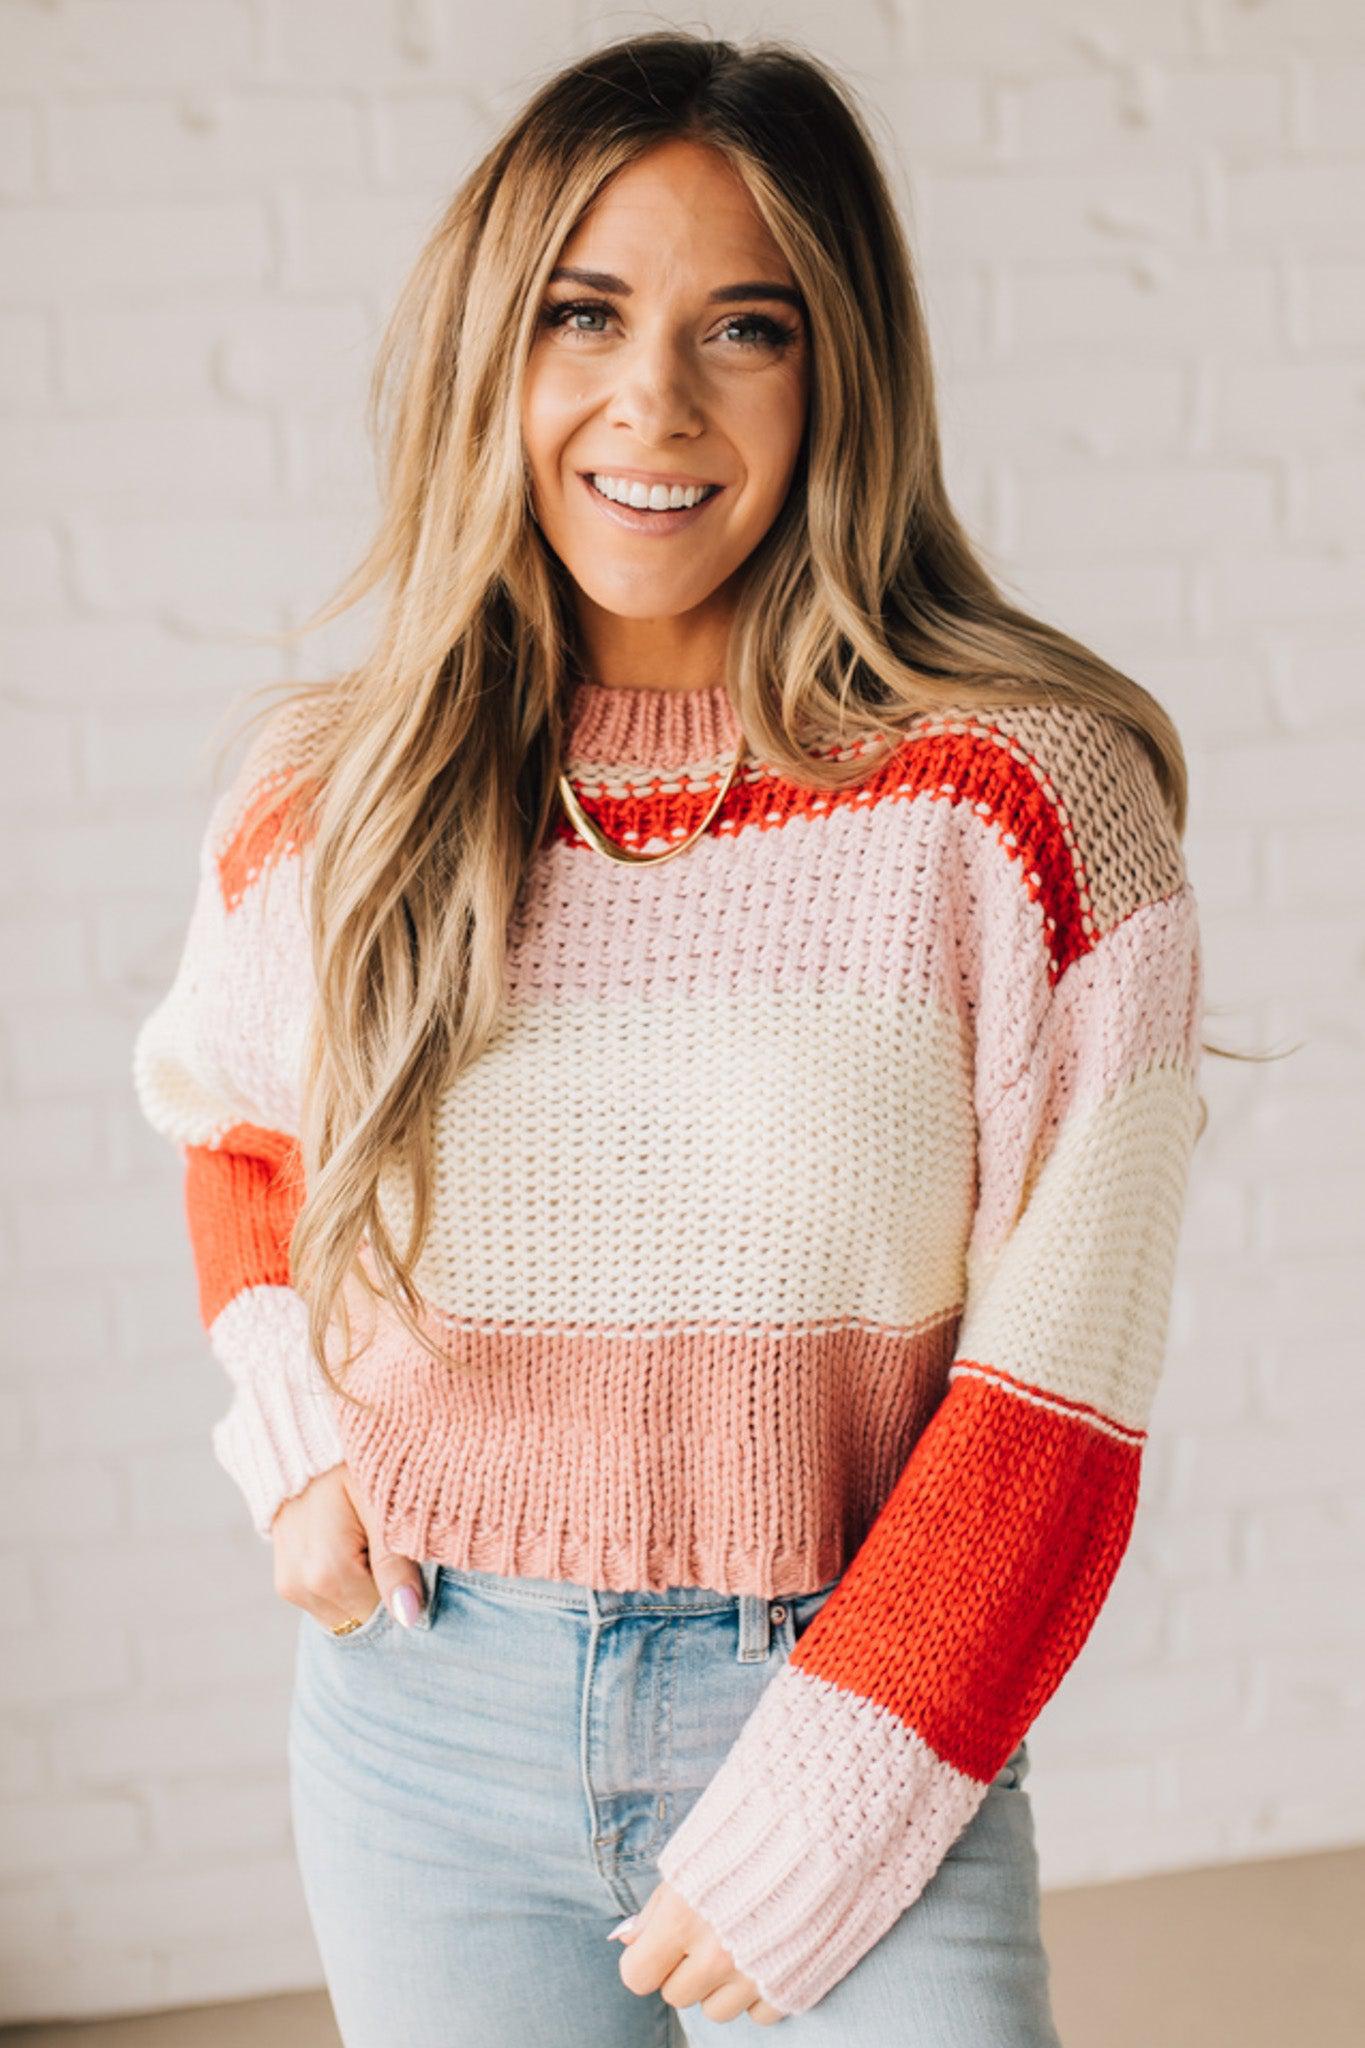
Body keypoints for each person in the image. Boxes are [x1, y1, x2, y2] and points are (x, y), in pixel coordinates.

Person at [131, 29, 1208, 2047]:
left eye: (743, 327)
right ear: (494, 349)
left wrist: (838, 1779)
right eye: (584, 313)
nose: (654, 400)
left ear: (838, 372)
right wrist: (291, 1448)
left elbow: (1059, 1376)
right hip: (422, 1720)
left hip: (845, 1697)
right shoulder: (330, 793)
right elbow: (241, 1132)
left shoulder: (1016, 809)